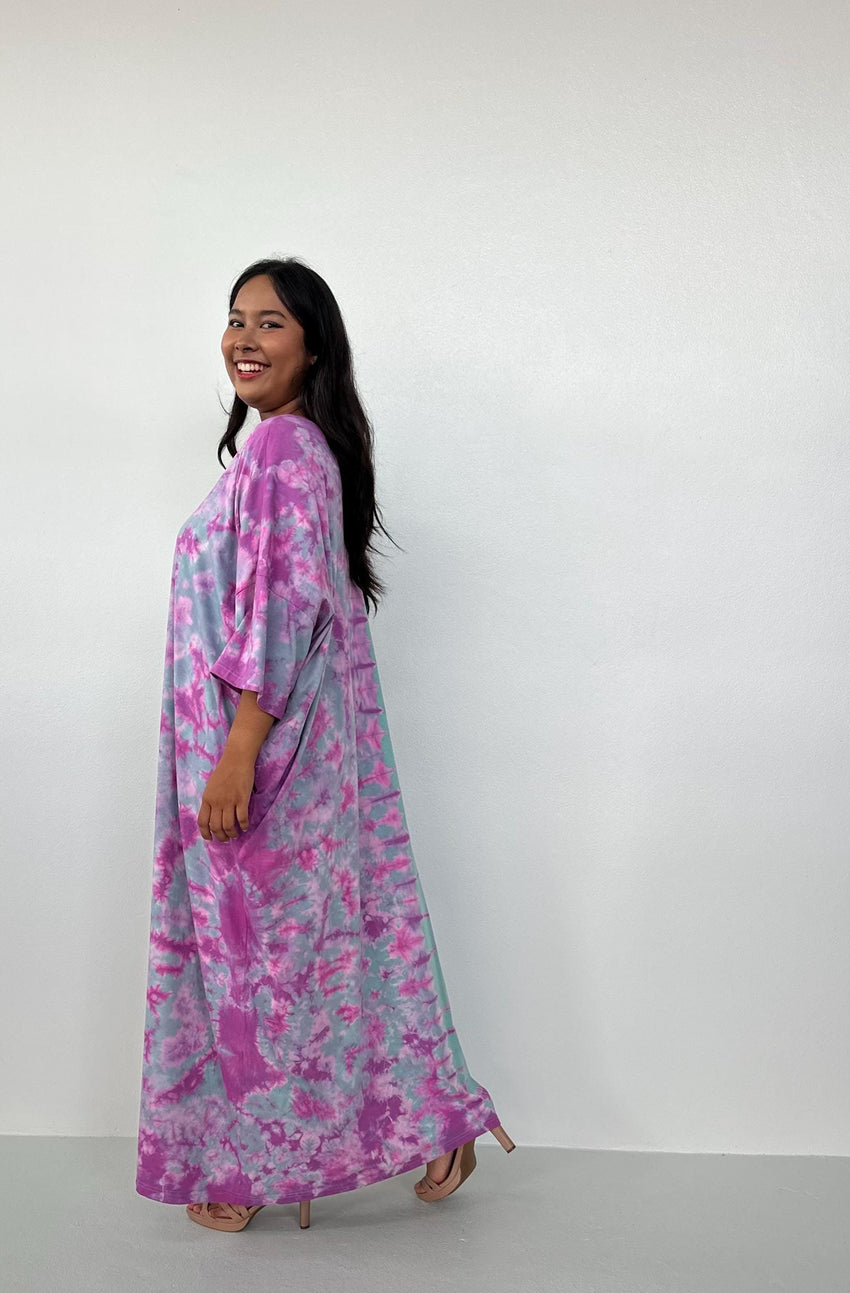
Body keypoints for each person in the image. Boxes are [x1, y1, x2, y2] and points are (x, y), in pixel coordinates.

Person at [136, 257, 515, 1233]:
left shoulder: (283, 448)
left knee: (265, 962)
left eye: (270, 322)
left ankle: (262, 1163)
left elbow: (284, 606)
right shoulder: (288, 450)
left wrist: (238, 751)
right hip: (276, 749)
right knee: (314, 953)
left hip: (261, 756)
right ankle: (431, 1118)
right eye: (236, 319)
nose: (244, 337)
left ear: (313, 346)